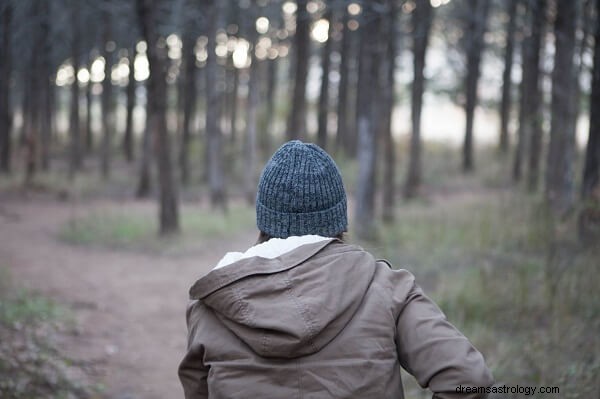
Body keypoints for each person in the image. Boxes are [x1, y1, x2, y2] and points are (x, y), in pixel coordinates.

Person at [178, 140, 494, 398]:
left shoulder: (214, 302)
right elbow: (468, 378)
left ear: (265, 219)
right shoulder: (387, 289)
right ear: (337, 219)